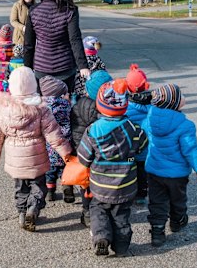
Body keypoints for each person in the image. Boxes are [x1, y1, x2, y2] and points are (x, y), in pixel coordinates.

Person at [0, 67, 72, 232]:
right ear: (33, 85)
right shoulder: (41, 109)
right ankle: (34, 208)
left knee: (20, 187)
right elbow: (54, 134)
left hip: (15, 161)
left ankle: (22, 213)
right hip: (36, 158)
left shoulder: (2, 111)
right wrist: (66, 152)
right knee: (38, 186)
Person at [77, 79, 148, 257]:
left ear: (100, 105)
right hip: (126, 185)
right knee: (121, 216)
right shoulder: (134, 129)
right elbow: (143, 149)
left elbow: (84, 158)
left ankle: (101, 237)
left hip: (100, 184)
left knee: (98, 209)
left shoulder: (93, 130)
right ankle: (122, 247)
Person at [141, 84, 197, 247]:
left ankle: (157, 231)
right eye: (180, 97)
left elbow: (142, 132)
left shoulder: (149, 119)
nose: (183, 99)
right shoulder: (185, 125)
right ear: (173, 103)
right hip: (177, 175)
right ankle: (177, 221)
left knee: (157, 201)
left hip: (154, 171)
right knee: (178, 200)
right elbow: (190, 149)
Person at [23, 0, 90, 94]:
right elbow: (75, 39)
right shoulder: (70, 10)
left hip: (41, 68)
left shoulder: (34, 10)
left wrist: (27, 68)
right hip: (65, 68)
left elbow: (28, 44)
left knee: (44, 107)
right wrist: (83, 65)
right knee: (66, 106)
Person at [70, 69, 113, 227]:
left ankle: (87, 211)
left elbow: (73, 127)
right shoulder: (107, 109)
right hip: (102, 152)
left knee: (85, 182)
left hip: (82, 150)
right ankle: (103, 209)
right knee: (102, 179)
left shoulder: (78, 105)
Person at [39, 75, 75, 203]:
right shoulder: (65, 104)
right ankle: (67, 187)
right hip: (65, 143)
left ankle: (50, 192)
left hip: (49, 145)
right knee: (65, 168)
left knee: (50, 171)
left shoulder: (41, 107)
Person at [124, 63, 151, 205]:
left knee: (130, 170)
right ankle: (142, 194)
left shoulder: (126, 107)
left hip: (131, 146)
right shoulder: (153, 104)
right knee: (142, 170)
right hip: (147, 147)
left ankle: (128, 192)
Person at [73, 36, 106, 100]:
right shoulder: (98, 59)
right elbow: (103, 73)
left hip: (79, 89)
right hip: (93, 89)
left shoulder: (80, 61)